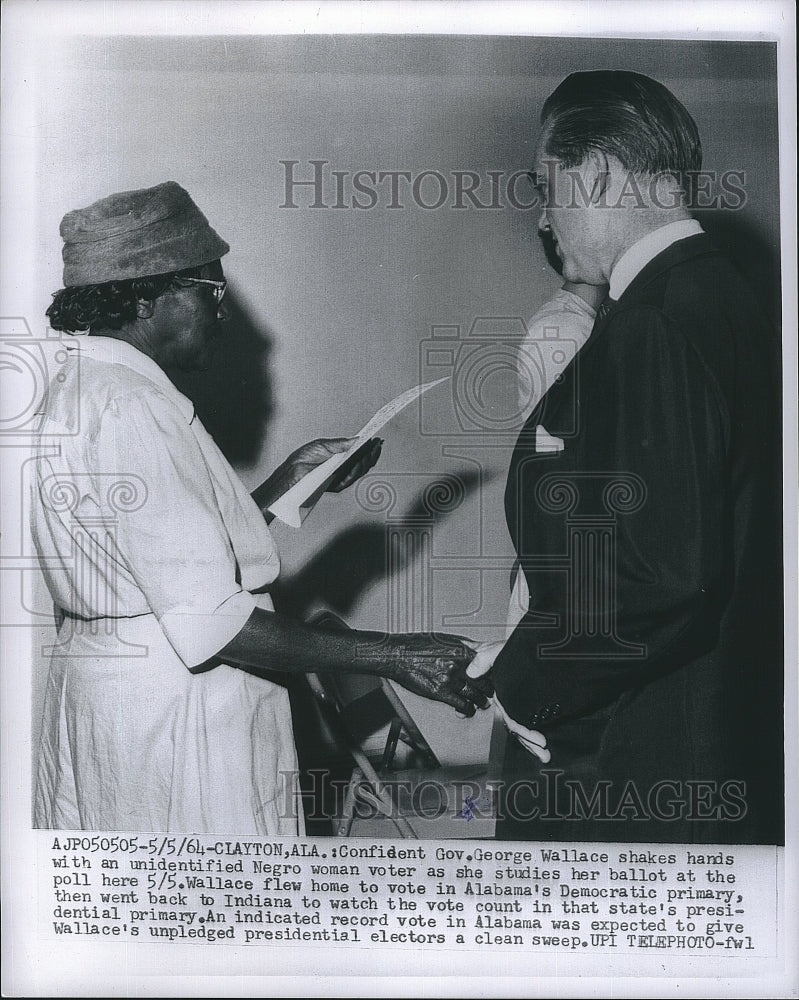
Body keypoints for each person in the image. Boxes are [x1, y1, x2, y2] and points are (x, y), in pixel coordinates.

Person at [31, 180, 488, 835]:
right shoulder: (135, 409)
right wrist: (393, 655)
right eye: (211, 292)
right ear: (147, 296)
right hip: (177, 718)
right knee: (210, 920)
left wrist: (288, 482)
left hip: (112, 705)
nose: (221, 313)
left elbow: (160, 557)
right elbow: (214, 622)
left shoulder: (76, 388)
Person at [469, 71, 783, 844]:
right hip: (717, 739)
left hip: (636, 757)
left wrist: (523, 681)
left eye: (548, 186)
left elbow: (661, 577)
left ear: (598, 173)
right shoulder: (728, 299)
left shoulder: (652, 322)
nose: (545, 216)